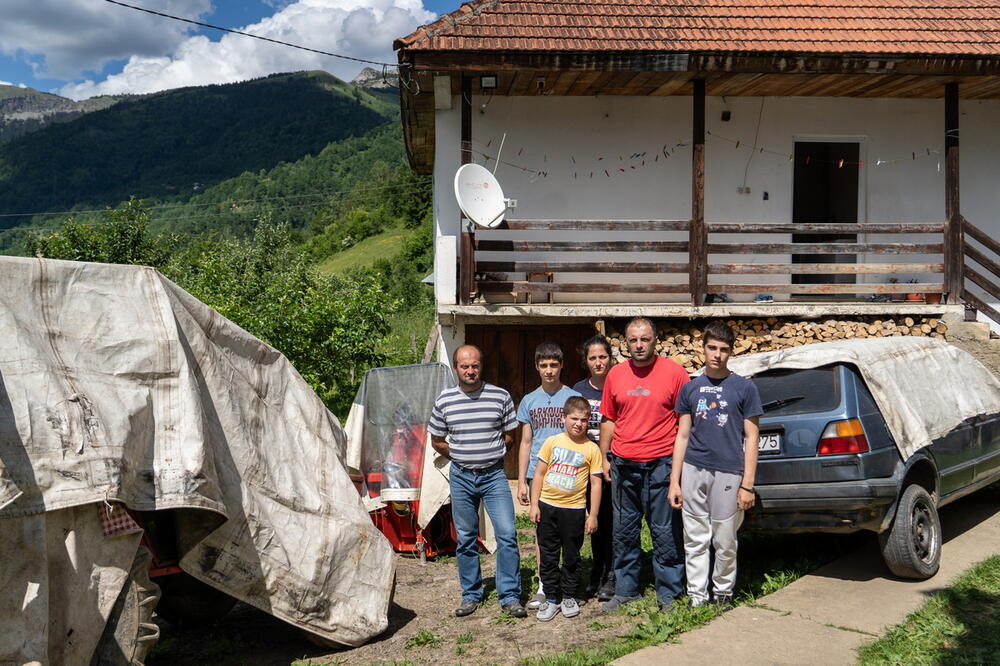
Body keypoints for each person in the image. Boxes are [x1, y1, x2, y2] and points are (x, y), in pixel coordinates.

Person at [428, 345, 527, 618]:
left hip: (494, 477)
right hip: (461, 477)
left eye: (474, 366)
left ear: (481, 366)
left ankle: (509, 595)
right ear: (456, 368)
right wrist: (460, 454)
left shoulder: (500, 396)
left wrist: (490, 455)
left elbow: (510, 435)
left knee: (507, 534)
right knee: (467, 538)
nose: (470, 371)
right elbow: (437, 440)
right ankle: (471, 593)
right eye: (464, 366)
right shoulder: (445, 400)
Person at [599, 317, 690, 611]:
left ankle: (669, 595)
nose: (639, 345)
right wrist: (604, 456)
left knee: (665, 532)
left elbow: (684, 426)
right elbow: (609, 419)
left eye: (645, 339)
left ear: (655, 340)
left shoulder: (676, 374)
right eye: (633, 340)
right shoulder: (615, 375)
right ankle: (626, 591)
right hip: (624, 465)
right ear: (626, 343)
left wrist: (677, 473)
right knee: (624, 531)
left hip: (661, 464)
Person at [668, 321, 762, 607]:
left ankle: (722, 592)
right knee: (695, 538)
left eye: (723, 349)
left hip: (729, 473)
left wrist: (748, 485)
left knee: (724, 539)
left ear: (731, 352)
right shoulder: (691, 388)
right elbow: (682, 435)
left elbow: (752, 437)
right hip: (694, 470)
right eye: (712, 348)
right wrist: (675, 480)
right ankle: (697, 596)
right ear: (702, 348)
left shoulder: (744, 388)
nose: (717, 354)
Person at [517, 342, 581, 609]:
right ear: (536, 367)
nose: (549, 370)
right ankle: (546, 586)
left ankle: (570, 585)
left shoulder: (573, 397)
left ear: (561, 365)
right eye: (544, 365)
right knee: (542, 533)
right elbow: (526, 442)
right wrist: (521, 480)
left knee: (570, 533)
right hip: (539, 475)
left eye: (553, 365)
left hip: (568, 474)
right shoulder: (529, 400)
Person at [529, 396, 604, 621]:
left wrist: (593, 515)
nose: (578, 424)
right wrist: (534, 505)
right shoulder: (552, 442)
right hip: (548, 506)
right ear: (563, 418)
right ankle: (551, 597)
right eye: (573, 418)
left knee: (572, 556)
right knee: (549, 556)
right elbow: (539, 474)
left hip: (574, 510)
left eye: (583, 419)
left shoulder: (592, 449)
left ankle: (569, 595)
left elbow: (596, 483)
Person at [572, 335, 616, 601]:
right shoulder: (579, 390)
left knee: (614, 522)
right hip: (588, 467)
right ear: (586, 362)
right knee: (596, 521)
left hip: (614, 463)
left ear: (610, 358)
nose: (598, 363)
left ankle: (613, 574)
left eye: (602, 357)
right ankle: (597, 571)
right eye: (593, 358)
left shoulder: (619, 382)